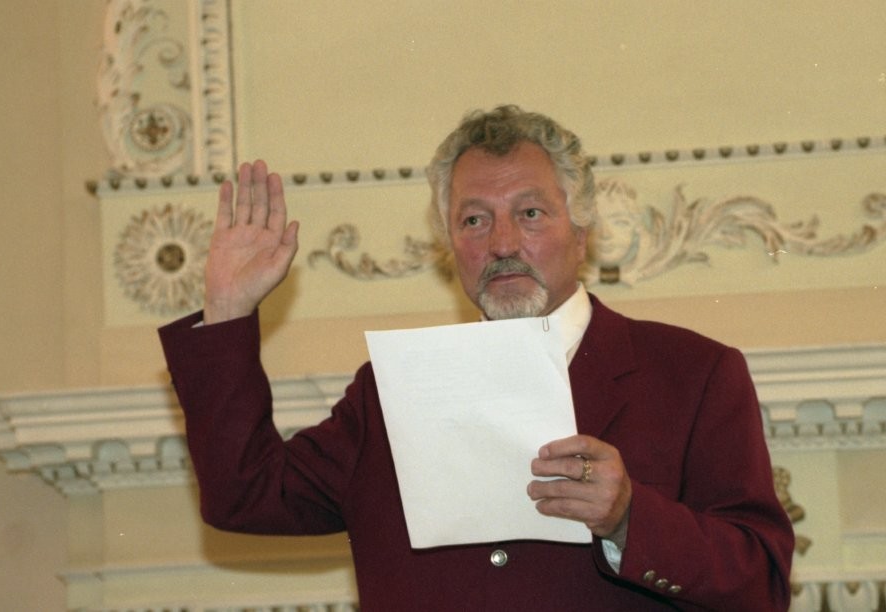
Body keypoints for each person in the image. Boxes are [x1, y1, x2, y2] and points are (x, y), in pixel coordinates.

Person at [159, 105, 794, 610]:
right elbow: (246, 494)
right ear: (450, 245)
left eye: (531, 213)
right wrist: (228, 308)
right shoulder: (391, 390)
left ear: (581, 232)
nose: (503, 243)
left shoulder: (692, 374)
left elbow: (760, 582)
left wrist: (630, 518)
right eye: (473, 221)